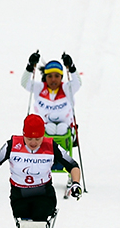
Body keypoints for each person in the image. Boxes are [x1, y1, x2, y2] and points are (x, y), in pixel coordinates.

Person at [0, 114, 82, 221]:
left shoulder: (51, 146)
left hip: (44, 194)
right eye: (29, 138)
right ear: (23, 134)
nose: (33, 143)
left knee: (41, 215)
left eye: (38, 139)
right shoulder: (12, 145)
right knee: (22, 215)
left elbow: (72, 165)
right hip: (20, 195)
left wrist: (76, 183)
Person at [22, 52, 82, 196]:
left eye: (57, 76)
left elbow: (78, 82)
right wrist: (30, 66)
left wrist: (71, 67)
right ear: (45, 77)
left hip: (64, 127)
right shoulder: (39, 88)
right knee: (48, 130)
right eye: (50, 76)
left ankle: (67, 167)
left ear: (61, 77)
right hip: (45, 126)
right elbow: (25, 83)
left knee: (61, 129)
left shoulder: (67, 88)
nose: (53, 80)